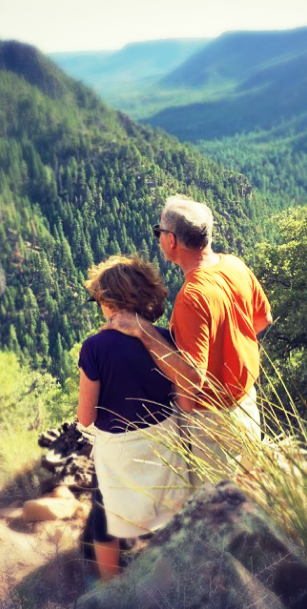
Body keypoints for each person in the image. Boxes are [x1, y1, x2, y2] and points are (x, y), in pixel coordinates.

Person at [104, 195, 272, 484]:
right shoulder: (235, 266)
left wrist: (143, 331)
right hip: (247, 406)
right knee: (247, 493)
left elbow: (193, 378)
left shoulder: (192, 296)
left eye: (159, 232)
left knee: (214, 503)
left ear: (171, 240)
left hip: (214, 422)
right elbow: (262, 318)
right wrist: (228, 349)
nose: (158, 238)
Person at [76, 254, 192, 582]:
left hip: (119, 448)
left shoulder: (95, 347)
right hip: (164, 439)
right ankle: (178, 575)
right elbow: (183, 396)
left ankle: (112, 587)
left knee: (105, 516)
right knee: (170, 507)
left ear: (109, 300)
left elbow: (86, 417)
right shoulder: (163, 338)